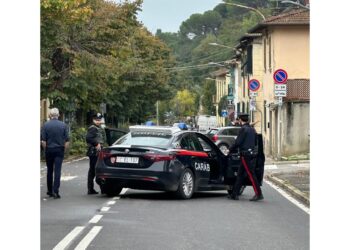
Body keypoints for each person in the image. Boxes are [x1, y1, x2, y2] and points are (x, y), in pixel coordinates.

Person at [228, 113, 264, 201]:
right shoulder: (252, 129)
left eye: (238, 120)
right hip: (251, 154)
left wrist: (230, 150)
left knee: (251, 175)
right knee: (240, 175)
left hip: (245, 155)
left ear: (240, 120)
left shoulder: (243, 129)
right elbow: (256, 142)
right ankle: (234, 194)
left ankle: (259, 194)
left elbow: (238, 142)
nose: (238, 121)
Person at [41, 108, 70, 199]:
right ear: (58, 115)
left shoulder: (45, 125)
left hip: (49, 149)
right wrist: (64, 149)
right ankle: (56, 191)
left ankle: (49, 191)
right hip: (59, 150)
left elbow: (43, 141)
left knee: (49, 170)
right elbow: (67, 140)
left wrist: (46, 149)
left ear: (50, 115)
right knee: (57, 171)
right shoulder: (63, 125)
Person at [86, 113, 107, 195]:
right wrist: (96, 144)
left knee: (95, 170)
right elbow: (88, 138)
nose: (98, 122)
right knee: (94, 170)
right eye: (96, 120)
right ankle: (92, 189)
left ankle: (93, 189)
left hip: (97, 152)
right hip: (94, 152)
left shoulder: (98, 128)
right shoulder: (93, 128)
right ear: (93, 120)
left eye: (99, 120)